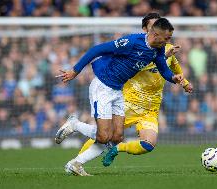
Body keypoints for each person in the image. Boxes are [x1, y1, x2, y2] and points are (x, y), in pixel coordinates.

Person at [64, 13, 193, 176]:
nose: (168, 42)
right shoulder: (132, 42)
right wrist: (75, 71)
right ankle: (75, 130)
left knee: (116, 137)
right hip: (104, 86)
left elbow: (163, 69)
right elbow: (97, 49)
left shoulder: (158, 50)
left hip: (119, 91)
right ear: (153, 33)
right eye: (166, 38)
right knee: (104, 135)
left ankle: (75, 163)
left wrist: (174, 78)